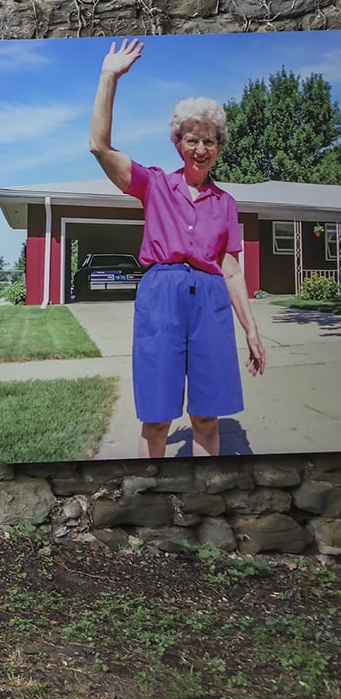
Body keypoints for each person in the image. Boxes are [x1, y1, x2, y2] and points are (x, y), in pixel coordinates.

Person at [89, 38, 266, 458]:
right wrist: (108, 76)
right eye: (192, 140)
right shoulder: (153, 185)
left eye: (210, 141)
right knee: (158, 417)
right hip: (160, 295)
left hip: (210, 300)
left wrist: (252, 330)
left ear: (219, 147)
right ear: (177, 143)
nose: (201, 149)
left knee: (207, 416)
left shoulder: (226, 204)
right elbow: (99, 146)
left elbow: (232, 270)